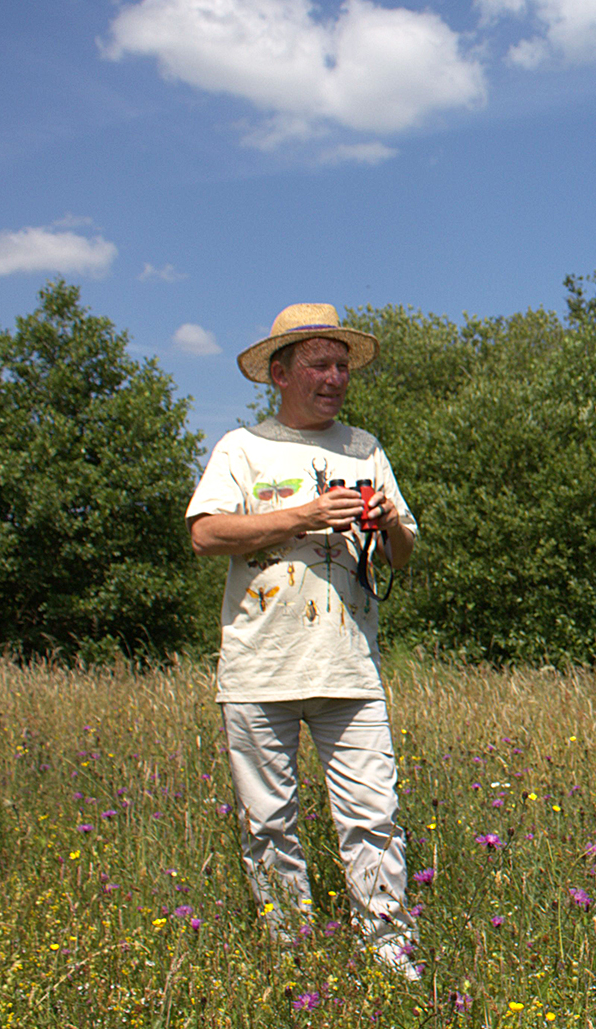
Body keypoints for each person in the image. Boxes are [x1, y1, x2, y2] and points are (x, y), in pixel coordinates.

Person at [186, 303, 422, 979]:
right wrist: (306, 515)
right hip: (261, 666)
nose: (335, 376)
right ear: (280, 374)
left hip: (349, 667)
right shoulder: (243, 449)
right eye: (319, 363)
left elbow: (404, 552)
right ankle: (291, 955)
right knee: (268, 821)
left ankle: (390, 955)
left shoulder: (364, 448)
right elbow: (205, 534)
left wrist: (385, 523)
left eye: (342, 364)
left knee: (374, 815)